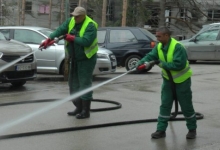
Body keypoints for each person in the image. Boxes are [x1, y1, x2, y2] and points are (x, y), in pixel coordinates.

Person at [136, 26, 197, 139]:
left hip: (182, 81)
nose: (157, 38)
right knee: (165, 105)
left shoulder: (178, 47)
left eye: (159, 36)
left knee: (186, 106)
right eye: (156, 35)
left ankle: (192, 129)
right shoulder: (159, 46)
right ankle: (160, 130)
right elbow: (150, 56)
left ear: (166, 36)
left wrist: (162, 64)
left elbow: (179, 65)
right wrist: (141, 62)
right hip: (168, 80)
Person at [39, 6, 98, 119]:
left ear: (83, 16)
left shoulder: (90, 25)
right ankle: (78, 107)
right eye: (74, 16)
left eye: (77, 16)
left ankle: (86, 111)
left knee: (84, 84)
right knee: (73, 83)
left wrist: (73, 38)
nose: (74, 18)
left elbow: (87, 41)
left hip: (86, 59)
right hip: (74, 58)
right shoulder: (71, 21)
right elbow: (60, 30)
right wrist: (49, 38)